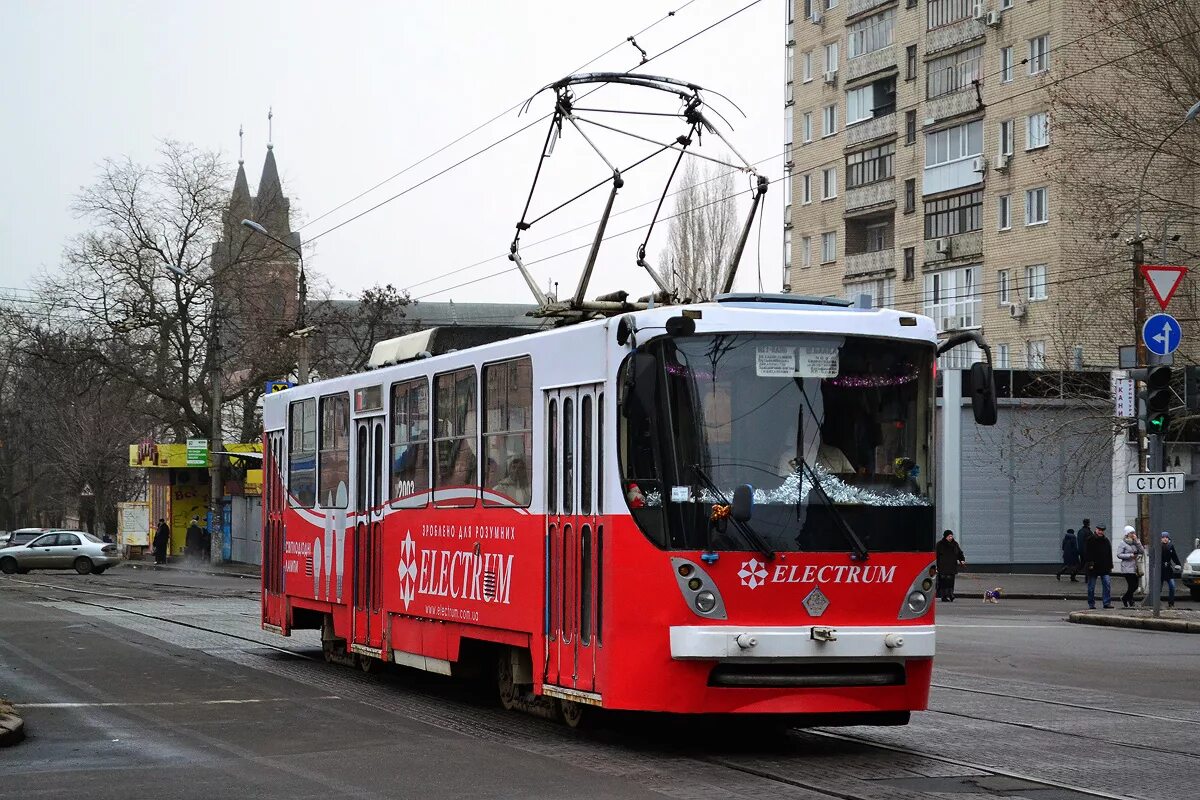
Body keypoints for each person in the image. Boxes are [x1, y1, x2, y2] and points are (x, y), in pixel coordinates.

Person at [1083, 523, 1114, 609]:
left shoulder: (1106, 540)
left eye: (1102, 530)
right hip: (1092, 567)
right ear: (1096, 530)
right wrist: (1090, 563)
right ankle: (1091, 604)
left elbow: (1109, 554)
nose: (1100, 532)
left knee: (1107, 584)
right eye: (1099, 530)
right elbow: (1086, 553)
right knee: (1091, 587)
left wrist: (1110, 565)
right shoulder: (1090, 540)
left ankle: (1106, 603)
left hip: (1104, 567)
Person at [1116, 526, 1143, 608]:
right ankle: (1125, 598)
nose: (1133, 534)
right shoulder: (1123, 543)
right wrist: (1130, 555)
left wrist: (1137, 541)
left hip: (1135, 567)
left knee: (1134, 585)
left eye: (1133, 533)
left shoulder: (1135, 542)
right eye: (1131, 533)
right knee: (1133, 586)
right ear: (1127, 534)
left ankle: (1130, 600)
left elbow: (1141, 550)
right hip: (1127, 568)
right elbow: (1119, 555)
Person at [935, 530, 966, 602]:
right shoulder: (940, 544)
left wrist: (962, 560)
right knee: (944, 582)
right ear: (946, 536)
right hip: (942, 567)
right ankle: (944, 596)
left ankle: (951, 594)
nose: (951, 537)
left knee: (951, 582)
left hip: (952, 566)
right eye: (949, 536)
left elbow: (959, 553)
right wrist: (935, 566)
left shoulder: (955, 544)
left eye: (951, 536)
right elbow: (935, 555)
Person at [1160, 532, 1183, 608]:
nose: (1165, 539)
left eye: (1166, 537)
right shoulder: (1158, 546)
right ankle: (1156, 602)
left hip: (1168, 569)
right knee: (1158, 588)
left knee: (1172, 586)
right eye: (1163, 537)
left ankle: (1171, 603)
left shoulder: (1170, 546)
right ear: (1161, 538)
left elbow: (1174, 556)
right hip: (1159, 570)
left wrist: (1178, 564)